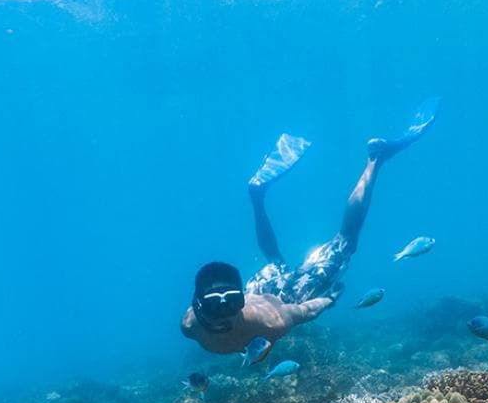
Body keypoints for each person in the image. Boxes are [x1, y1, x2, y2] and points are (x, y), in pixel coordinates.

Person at [181, 98, 439, 355]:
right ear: (199, 305)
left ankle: (375, 159)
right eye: (216, 305)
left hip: (282, 300)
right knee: (276, 259)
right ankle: (257, 197)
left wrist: (327, 300)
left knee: (345, 241)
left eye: (231, 303)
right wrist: (327, 299)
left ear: (239, 301)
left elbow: (304, 310)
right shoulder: (188, 325)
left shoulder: (272, 323)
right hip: (257, 293)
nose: (225, 315)